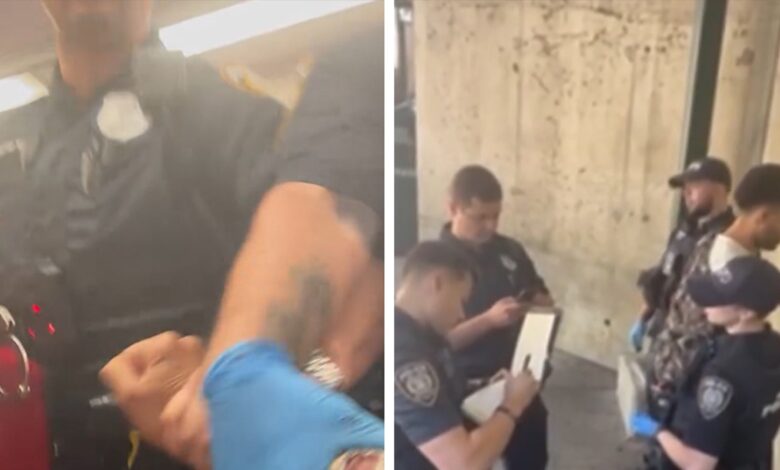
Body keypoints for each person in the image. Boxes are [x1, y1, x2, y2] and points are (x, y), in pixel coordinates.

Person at [0, 1, 384, 469]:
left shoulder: (222, 110)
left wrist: (277, 390)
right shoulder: (15, 139)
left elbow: (358, 266)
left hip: (193, 448)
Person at [647, 163, 780, 421]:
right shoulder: (720, 258)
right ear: (763, 216)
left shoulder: (744, 255)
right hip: (687, 392)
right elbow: (688, 331)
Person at [439, 165, 552, 470]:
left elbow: (539, 294)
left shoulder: (510, 251)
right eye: (480, 217)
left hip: (517, 379)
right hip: (464, 389)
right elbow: (435, 343)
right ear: (453, 208)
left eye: (496, 216)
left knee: (530, 460)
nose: (490, 226)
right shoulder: (435, 264)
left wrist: (538, 305)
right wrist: (488, 320)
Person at [395, 240, 541, 469]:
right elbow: (463, 464)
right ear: (437, 283)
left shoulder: (421, 335)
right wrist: (513, 404)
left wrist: (481, 385)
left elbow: (441, 379)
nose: (462, 314)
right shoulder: (405, 358)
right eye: (461, 301)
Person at [631, 255, 780, 470]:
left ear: (746, 313)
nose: (705, 303)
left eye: (718, 297)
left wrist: (656, 430)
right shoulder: (773, 346)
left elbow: (698, 464)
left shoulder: (722, 374)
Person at [631, 157, 734, 351]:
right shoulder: (684, 230)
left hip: (699, 345)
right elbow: (662, 276)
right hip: (664, 335)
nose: (686, 195)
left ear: (719, 188)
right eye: (685, 189)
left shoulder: (731, 238)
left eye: (694, 187)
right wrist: (643, 318)